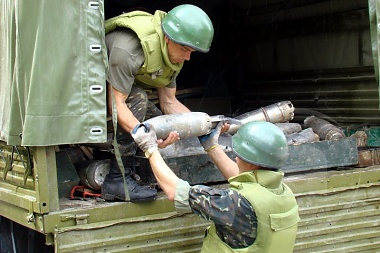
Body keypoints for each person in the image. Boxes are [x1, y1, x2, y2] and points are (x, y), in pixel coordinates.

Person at [101, 4, 214, 202]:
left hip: (119, 89)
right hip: (86, 88)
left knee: (157, 121)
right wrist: (147, 140)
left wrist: (204, 126)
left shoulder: (171, 55)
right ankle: (117, 178)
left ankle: (141, 172)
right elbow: (117, 103)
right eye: (185, 50)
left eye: (192, 53)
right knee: (138, 100)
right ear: (168, 38)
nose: (187, 58)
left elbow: (169, 103)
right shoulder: (129, 48)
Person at [131, 121, 300, 252]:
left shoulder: (235, 204)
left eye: (238, 154)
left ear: (250, 162)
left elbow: (174, 191)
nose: (235, 158)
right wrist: (212, 146)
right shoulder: (284, 194)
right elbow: (243, 179)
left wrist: (150, 148)